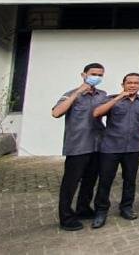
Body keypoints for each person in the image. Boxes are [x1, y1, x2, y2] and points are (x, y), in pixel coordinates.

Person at [51, 62, 108, 231]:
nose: (96, 77)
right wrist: (77, 93)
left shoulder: (102, 95)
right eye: (93, 74)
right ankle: (66, 217)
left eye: (100, 75)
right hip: (77, 145)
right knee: (70, 183)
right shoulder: (70, 94)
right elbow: (56, 112)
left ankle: (83, 208)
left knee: (90, 180)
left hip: (97, 144)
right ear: (84, 75)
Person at [91, 73, 139, 229]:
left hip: (133, 147)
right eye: (129, 83)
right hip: (110, 147)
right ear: (123, 84)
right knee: (105, 180)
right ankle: (101, 211)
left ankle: (126, 207)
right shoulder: (111, 99)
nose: (132, 85)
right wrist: (118, 98)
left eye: (136, 83)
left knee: (130, 179)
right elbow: (97, 113)